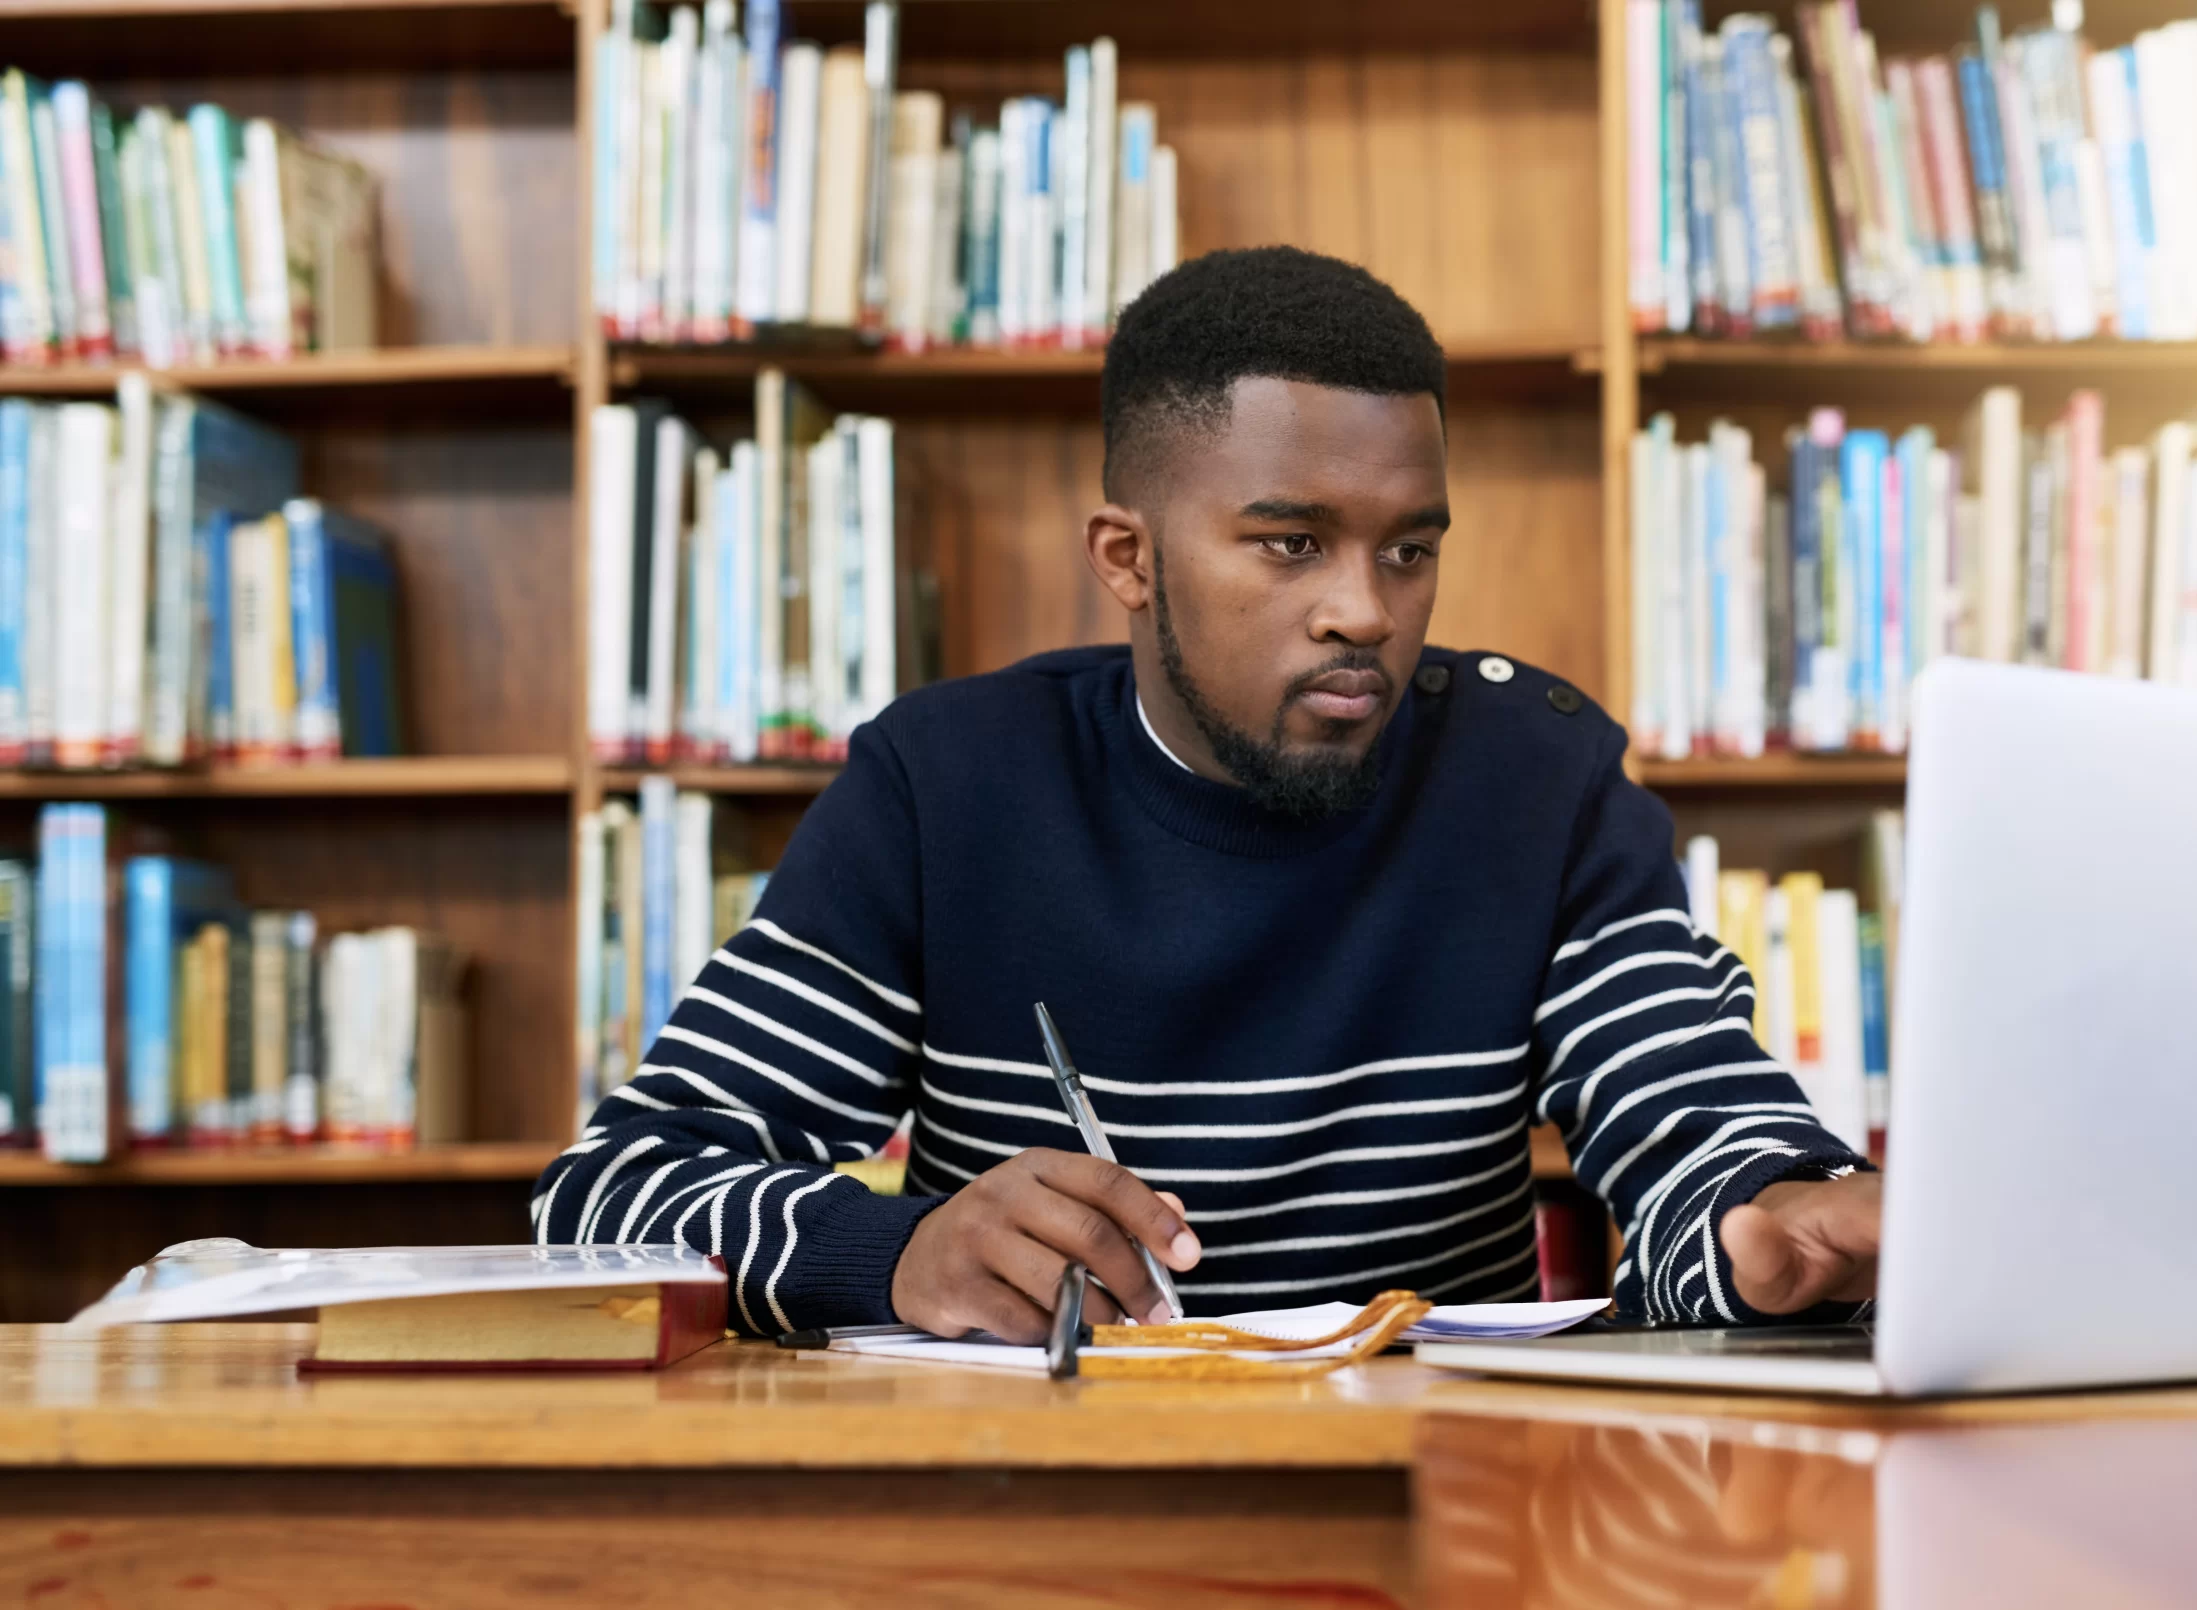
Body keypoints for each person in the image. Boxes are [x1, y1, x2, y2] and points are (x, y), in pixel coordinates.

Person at [535, 245, 1883, 1342]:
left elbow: (1694, 1113)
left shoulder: (1539, 778)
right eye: (1291, 544)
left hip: (1432, 1513)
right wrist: (899, 1252)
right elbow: (604, 1201)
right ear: (1128, 557)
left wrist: (1758, 1219)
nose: (1365, 610)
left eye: (1409, 550)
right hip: (1032, 1511)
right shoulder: (943, 789)